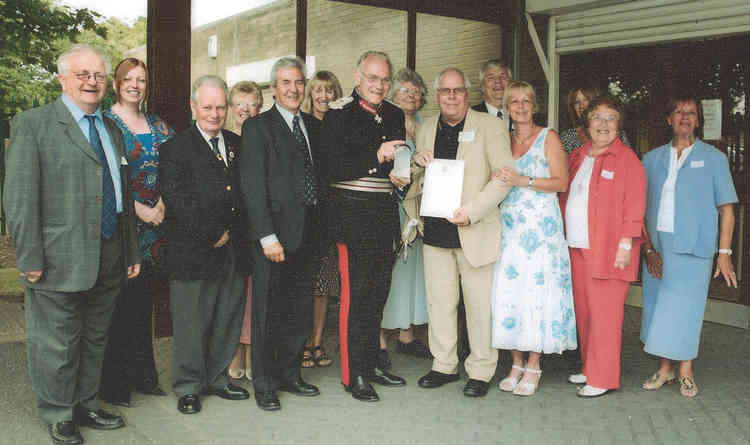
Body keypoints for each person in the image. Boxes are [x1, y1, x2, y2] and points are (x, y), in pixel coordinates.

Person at [4, 44, 140, 445]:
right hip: (57, 256)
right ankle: (59, 412)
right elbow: (20, 198)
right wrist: (27, 256)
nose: (91, 82)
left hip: (110, 250)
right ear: (62, 78)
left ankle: (86, 403)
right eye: (82, 74)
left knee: (96, 336)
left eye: (97, 75)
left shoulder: (112, 127)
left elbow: (122, 193)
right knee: (56, 342)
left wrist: (130, 249)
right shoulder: (35, 124)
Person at [405, 67, 513, 398]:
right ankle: (444, 365)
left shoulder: (490, 127)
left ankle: (481, 369)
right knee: (440, 303)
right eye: (445, 91)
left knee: (480, 306)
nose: (451, 97)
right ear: (437, 96)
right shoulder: (426, 129)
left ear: (467, 94)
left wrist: (473, 212)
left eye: (458, 90)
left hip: (474, 229)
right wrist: (416, 165)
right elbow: (412, 174)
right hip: (436, 232)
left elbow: (504, 176)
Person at [319, 50, 408, 402]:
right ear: (357, 78)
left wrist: (404, 168)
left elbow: (395, 165)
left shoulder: (395, 114)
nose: (378, 85)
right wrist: (377, 156)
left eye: (385, 79)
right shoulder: (338, 114)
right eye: (372, 78)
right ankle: (352, 373)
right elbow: (331, 167)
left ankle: (371, 363)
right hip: (351, 214)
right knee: (355, 297)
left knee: (377, 294)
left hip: (384, 213)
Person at [159, 75, 250, 415]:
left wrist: (234, 233)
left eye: (220, 107)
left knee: (227, 316)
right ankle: (188, 386)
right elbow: (178, 200)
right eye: (207, 107)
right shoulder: (174, 149)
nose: (214, 114)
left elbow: (247, 192)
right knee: (191, 322)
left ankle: (217, 378)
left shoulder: (237, 143)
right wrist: (214, 232)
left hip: (233, 251)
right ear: (194, 107)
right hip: (193, 251)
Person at [640, 94, 738, 398]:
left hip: (694, 249)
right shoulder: (651, 159)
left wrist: (724, 254)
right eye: (678, 112)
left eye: (691, 113)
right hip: (658, 248)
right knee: (659, 308)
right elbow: (639, 210)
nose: (685, 117)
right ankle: (665, 369)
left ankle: (685, 371)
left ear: (698, 120)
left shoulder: (714, 158)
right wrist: (647, 249)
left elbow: (727, 210)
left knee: (686, 310)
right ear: (669, 119)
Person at [239, 57, 323, 411]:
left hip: (308, 235)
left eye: (298, 82)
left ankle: (290, 374)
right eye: (286, 82)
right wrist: (266, 236)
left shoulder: (313, 127)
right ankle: (265, 383)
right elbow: (252, 186)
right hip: (273, 239)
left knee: (298, 309)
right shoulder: (259, 127)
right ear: (274, 88)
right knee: (268, 313)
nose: (293, 89)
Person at [490, 81, 576, 396]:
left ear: (534, 105)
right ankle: (515, 361)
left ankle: (534, 362)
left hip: (542, 230)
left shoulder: (548, 137)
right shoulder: (501, 140)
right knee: (511, 290)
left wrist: (522, 179)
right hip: (510, 227)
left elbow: (562, 181)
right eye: (515, 101)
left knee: (538, 290)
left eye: (527, 101)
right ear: (506, 107)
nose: (521, 106)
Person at [559, 95, 646, 398]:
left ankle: (603, 377)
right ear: (587, 122)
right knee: (585, 313)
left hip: (610, 251)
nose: (603, 124)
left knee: (606, 316)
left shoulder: (627, 160)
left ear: (619, 125)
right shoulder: (579, 155)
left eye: (611, 118)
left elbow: (635, 206)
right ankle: (589, 367)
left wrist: (626, 244)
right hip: (577, 247)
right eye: (597, 117)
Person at [100, 57, 174, 406]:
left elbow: (175, 166)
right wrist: (137, 209)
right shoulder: (106, 123)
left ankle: (145, 376)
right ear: (117, 84)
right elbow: (102, 177)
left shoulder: (158, 124)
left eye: (141, 80)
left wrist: (162, 202)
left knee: (145, 306)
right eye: (128, 79)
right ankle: (115, 386)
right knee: (119, 308)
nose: (135, 85)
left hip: (156, 231)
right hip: (124, 227)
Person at [379, 67, 431, 368]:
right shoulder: (387, 122)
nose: (411, 96)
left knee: (413, 273)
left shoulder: (425, 124)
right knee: (390, 271)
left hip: (420, 208)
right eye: (404, 91)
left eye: (416, 91)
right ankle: (380, 339)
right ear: (391, 94)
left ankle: (407, 335)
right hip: (392, 205)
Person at [300, 70, 343, 369]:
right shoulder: (301, 124)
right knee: (304, 282)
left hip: (333, 214)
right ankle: (301, 343)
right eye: (318, 90)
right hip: (306, 215)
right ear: (310, 94)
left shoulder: (342, 125)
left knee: (324, 285)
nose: (324, 96)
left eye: (329, 91)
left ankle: (317, 342)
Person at [225, 80, 263, 381]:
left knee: (253, 295)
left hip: (257, 229)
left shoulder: (262, 137)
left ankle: (252, 351)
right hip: (230, 230)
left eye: (252, 104)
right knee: (232, 295)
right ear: (230, 107)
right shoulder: (223, 139)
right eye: (240, 103)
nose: (246, 109)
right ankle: (233, 351)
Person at [560, 86, 630, 153]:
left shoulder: (616, 133)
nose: (581, 106)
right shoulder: (567, 137)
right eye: (577, 102)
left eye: (586, 100)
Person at [472, 59, 513, 125]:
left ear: (510, 84)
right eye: (491, 78)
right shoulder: (470, 116)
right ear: (482, 86)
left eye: (503, 77)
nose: (498, 81)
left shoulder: (520, 113)